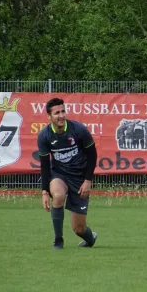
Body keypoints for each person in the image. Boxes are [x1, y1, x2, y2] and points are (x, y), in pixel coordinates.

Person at [37, 98, 98, 249]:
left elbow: (92, 155)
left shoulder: (78, 130)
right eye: (57, 113)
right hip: (59, 174)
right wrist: (44, 191)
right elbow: (45, 165)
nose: (61, 115)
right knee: (57, 196)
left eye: (63, 111)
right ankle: (58, 241)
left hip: (79, 179)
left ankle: (90, 238)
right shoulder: (44, 136)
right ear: (49, 117)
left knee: (79, 229)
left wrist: (87, 181)